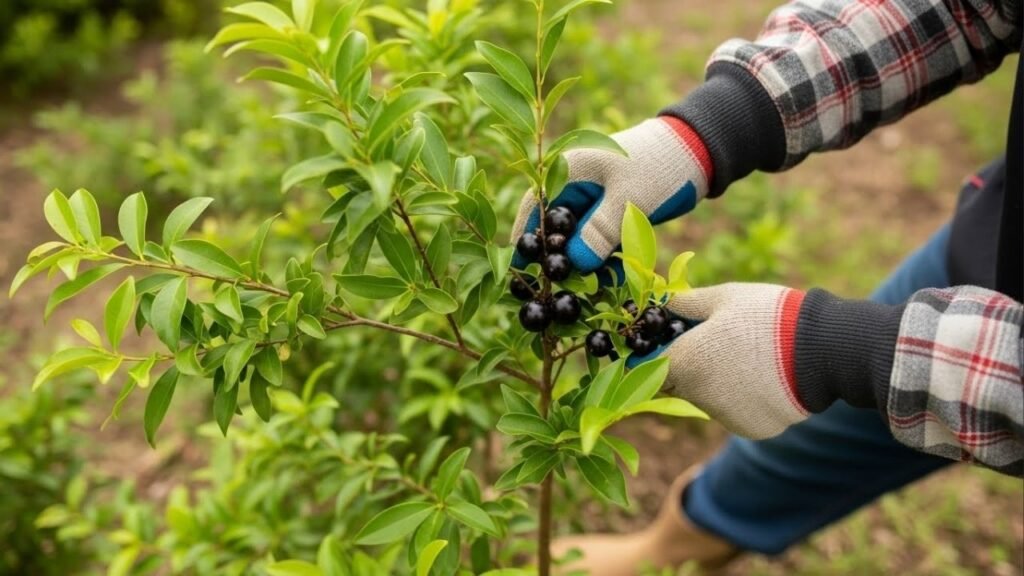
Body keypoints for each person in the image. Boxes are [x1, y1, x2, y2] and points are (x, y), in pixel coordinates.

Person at [510, 0, 1024, 573]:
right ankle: (678, 544)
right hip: (991, 244)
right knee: (802, 441)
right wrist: (714, 125)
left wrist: (840, 351)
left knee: (841, 378)